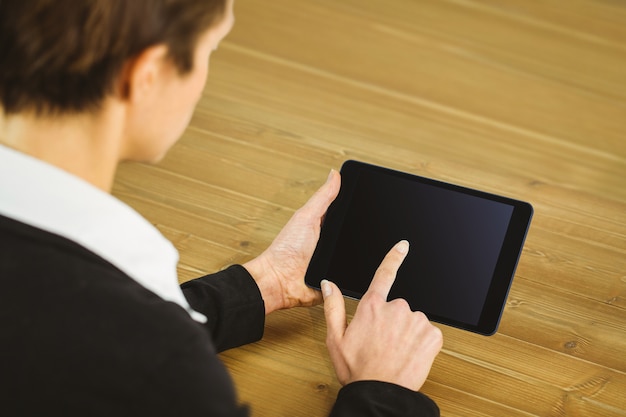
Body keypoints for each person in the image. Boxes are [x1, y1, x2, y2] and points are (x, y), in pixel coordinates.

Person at [0, 0, 443, 415]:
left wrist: (265, 283)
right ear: (147, 76)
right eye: (212, 48)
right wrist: (383, 394)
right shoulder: (164, 374)